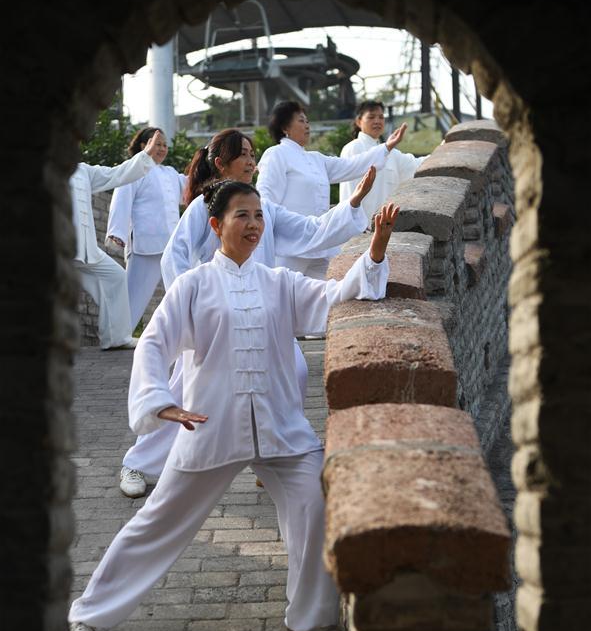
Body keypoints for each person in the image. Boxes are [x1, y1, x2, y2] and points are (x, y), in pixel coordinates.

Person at [66, 179, 400, 631]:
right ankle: (88, 614)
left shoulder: (278, 281)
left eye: (259, 215)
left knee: (312, 503)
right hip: (211, 427)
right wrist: (160, 401)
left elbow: (334, 299)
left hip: (281, 428)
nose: (254, 224)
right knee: (156, 523)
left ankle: (311, 614)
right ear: (217, 225)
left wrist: (377, 249)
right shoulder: (194, 285)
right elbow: (156, 344)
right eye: (242, 215)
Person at [119, 128, 379, 498]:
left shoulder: (265, 208)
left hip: (261, 313)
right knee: (183, 395)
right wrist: (194, 308)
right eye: (244, 154)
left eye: (254, 154)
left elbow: (311, 231)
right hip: (214, 322)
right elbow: (173, 256)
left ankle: (272, 457)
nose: (252, 161)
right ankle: (138, 463)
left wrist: (351, 203)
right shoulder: (204, 207)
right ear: (221, 162)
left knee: (296, 368)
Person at [255, 100, 408, 278]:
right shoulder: (276, 154)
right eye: (301, 121)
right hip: (290, 246)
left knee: (320, 301)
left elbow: (352, 165)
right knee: (284, 298)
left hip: (321, 244)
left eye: (307, 121)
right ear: (284, 127)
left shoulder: (316, 159)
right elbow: (265, 199)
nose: (307, 125)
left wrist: (386, 146)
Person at [71, 130, 162, 350]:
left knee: (115, 277)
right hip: (55, 247)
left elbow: (117, 174)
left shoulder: (83, 171)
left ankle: (115, 337)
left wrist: (146, 155)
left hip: (85, 249)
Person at [105, 127, 187, 331]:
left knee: (182, 291)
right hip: (145, 244)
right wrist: (117, 231)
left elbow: (190, 189)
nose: (162, 148)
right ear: (144, 145)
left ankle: (186, 335)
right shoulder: (134, 169)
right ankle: (117, 335)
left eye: (164, 145)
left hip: (171, 245)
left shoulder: (170, 174)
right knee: (133, 296)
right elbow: (121, 199)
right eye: (157, 144)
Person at [339, 100, 428, 222]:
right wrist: (353, 223)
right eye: (371, 117)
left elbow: (418, 165)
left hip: (386, 228)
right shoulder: (353, 148)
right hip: (360, 230)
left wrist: (444, 149)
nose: (377, 121)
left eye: (381, 117)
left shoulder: (391, 154)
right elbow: (348, 192)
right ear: (359, 121)